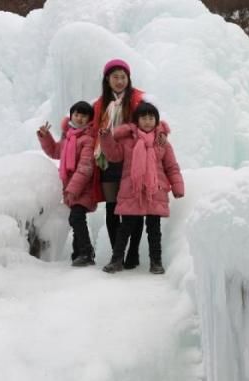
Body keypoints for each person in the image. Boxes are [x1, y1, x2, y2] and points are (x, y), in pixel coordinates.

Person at [92, 59, 167, 270]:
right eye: (115, 77)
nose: (119, 81)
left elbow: (154, 122)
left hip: (134, 160)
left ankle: (132, 253)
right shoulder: (100, 104)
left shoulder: (138, 98)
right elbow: (91, 131)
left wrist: (162, 136)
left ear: (129, 79)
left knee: (134, 208)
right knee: (112, 207)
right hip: (108, 160)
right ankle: (118, 255)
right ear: (107, 79)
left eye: (123, 77)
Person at [99, 102, 184, 274]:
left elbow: (171, 167)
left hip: (154, 191)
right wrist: (106, 138)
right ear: (137, 120)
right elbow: (114, 155)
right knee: (125, 228)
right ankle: (116, 260)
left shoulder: (162, 142)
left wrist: (177, 186)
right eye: (143, 118)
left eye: (151, 118)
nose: (147, 121)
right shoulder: (128, 141)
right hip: (132, 190)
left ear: (156, 120)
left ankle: (156, 262)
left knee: (154, 229)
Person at [37, 101, 97, 266]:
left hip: (82, 187)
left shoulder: (87, 140)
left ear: (89, 119)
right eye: (76, 114)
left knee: (76, 217)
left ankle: (86, 251)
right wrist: (45, 137)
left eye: (83, 115)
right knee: (76, 218)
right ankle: (78, 252)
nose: (79, 118)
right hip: (70, 187)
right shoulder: (68, 138)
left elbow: (86, 167)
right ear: (71, 116)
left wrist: (73, 188)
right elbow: (55, 152)